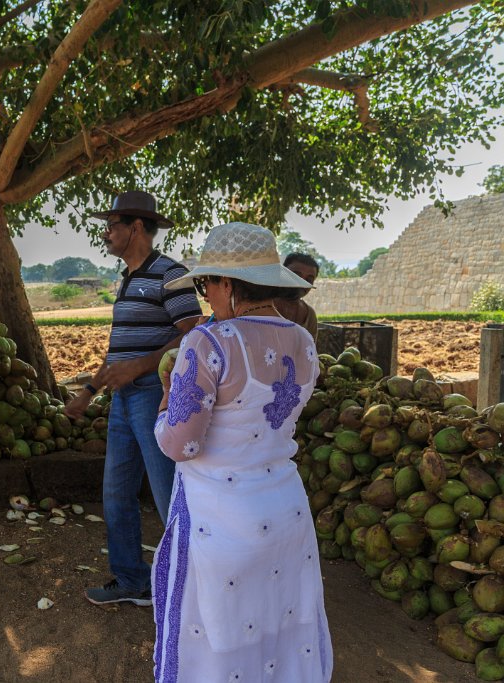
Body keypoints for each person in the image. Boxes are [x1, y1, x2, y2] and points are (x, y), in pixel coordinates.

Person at [151, 222, 331, 683]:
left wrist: (168, 400)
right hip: (286, 513)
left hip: (221, 522)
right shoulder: (305, 343)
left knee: (218, 644)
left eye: (206, 283)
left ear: (228, 284)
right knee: (278, 634)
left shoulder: (208, 343)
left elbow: (182, 445)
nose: (205, 295)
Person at [65, 190, 201, 607]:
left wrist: (140, 368)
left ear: (136, 228)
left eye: (112, 226)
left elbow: (192, 336)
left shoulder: (170, 274)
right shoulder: (126, 279)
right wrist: (88, 392)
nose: (106, 234)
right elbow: (119, 349)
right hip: (123, 400)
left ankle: (192, 588)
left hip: (152, 397)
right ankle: (132, 581)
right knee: (116, 494)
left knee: (166, 494)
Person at [274, 252, 320, 341]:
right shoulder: (260, 305)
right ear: (282, 273)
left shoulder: (309, 315)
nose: (301, 282)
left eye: (309, 279)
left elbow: (309, 352)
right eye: (296, 275)